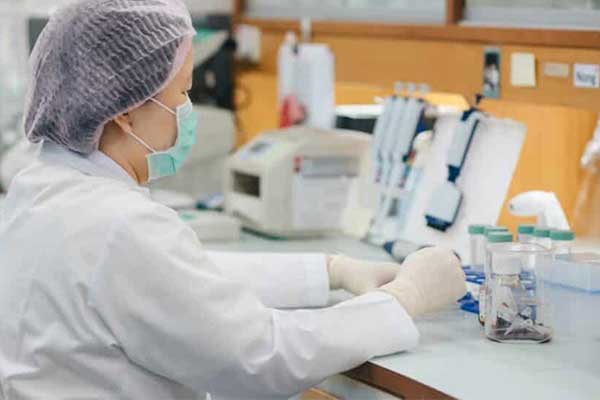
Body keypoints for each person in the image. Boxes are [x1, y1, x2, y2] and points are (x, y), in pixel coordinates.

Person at [0, 1, 466, 399]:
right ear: (124, 112)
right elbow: (263, 358)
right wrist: (403, 299)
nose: (187, 110)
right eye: (182, 91)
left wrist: (330, 271)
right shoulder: (117, 226)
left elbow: (179, 282)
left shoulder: (41, 187)